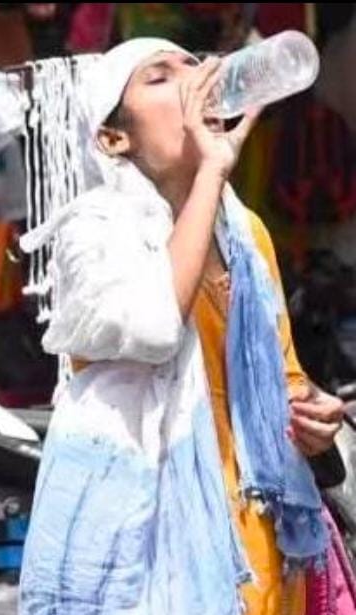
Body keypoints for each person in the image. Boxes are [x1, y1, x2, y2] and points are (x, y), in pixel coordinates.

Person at [18, 39, 345, 614]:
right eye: (160, 77)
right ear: (114, 138)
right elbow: (154, 328)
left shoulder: (244, 233)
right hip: (157, 555)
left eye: (194, 65)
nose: (197, 81)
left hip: (262, 545)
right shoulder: (95, 230)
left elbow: (284, 376)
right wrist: (212, 169)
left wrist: (314, 414)